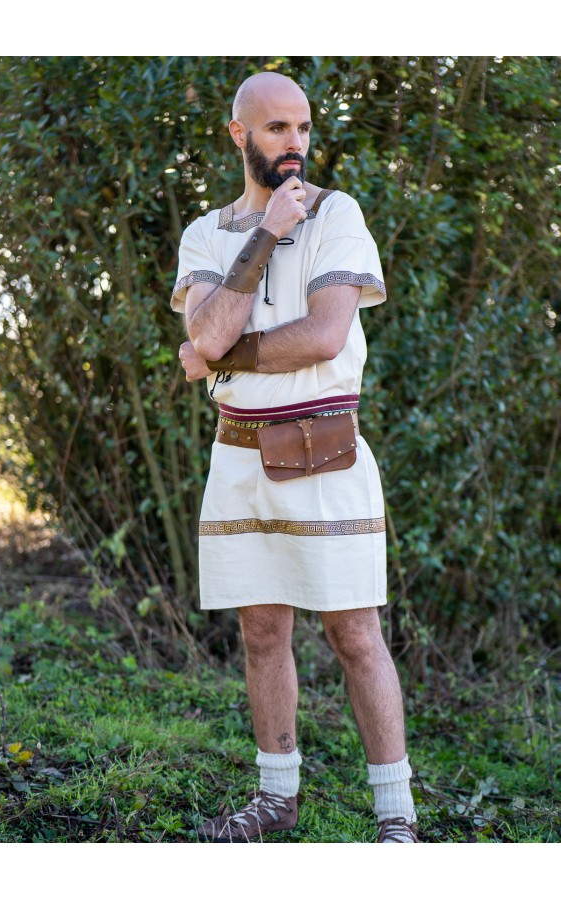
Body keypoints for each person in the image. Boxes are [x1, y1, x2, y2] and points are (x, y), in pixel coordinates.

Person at [172, 71, 418, 843]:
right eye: (276, 129)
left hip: (327, 452)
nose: (295, 145)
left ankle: (396, 818)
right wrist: (267, 230)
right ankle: (277, 800)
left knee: (354, 633)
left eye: (303, 128)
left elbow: (322, 336)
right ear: (238, 135)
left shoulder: (336, 213)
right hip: (239, 458)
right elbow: (203, 328)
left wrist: (214, 357)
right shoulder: (208, 234)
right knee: (260, 632)